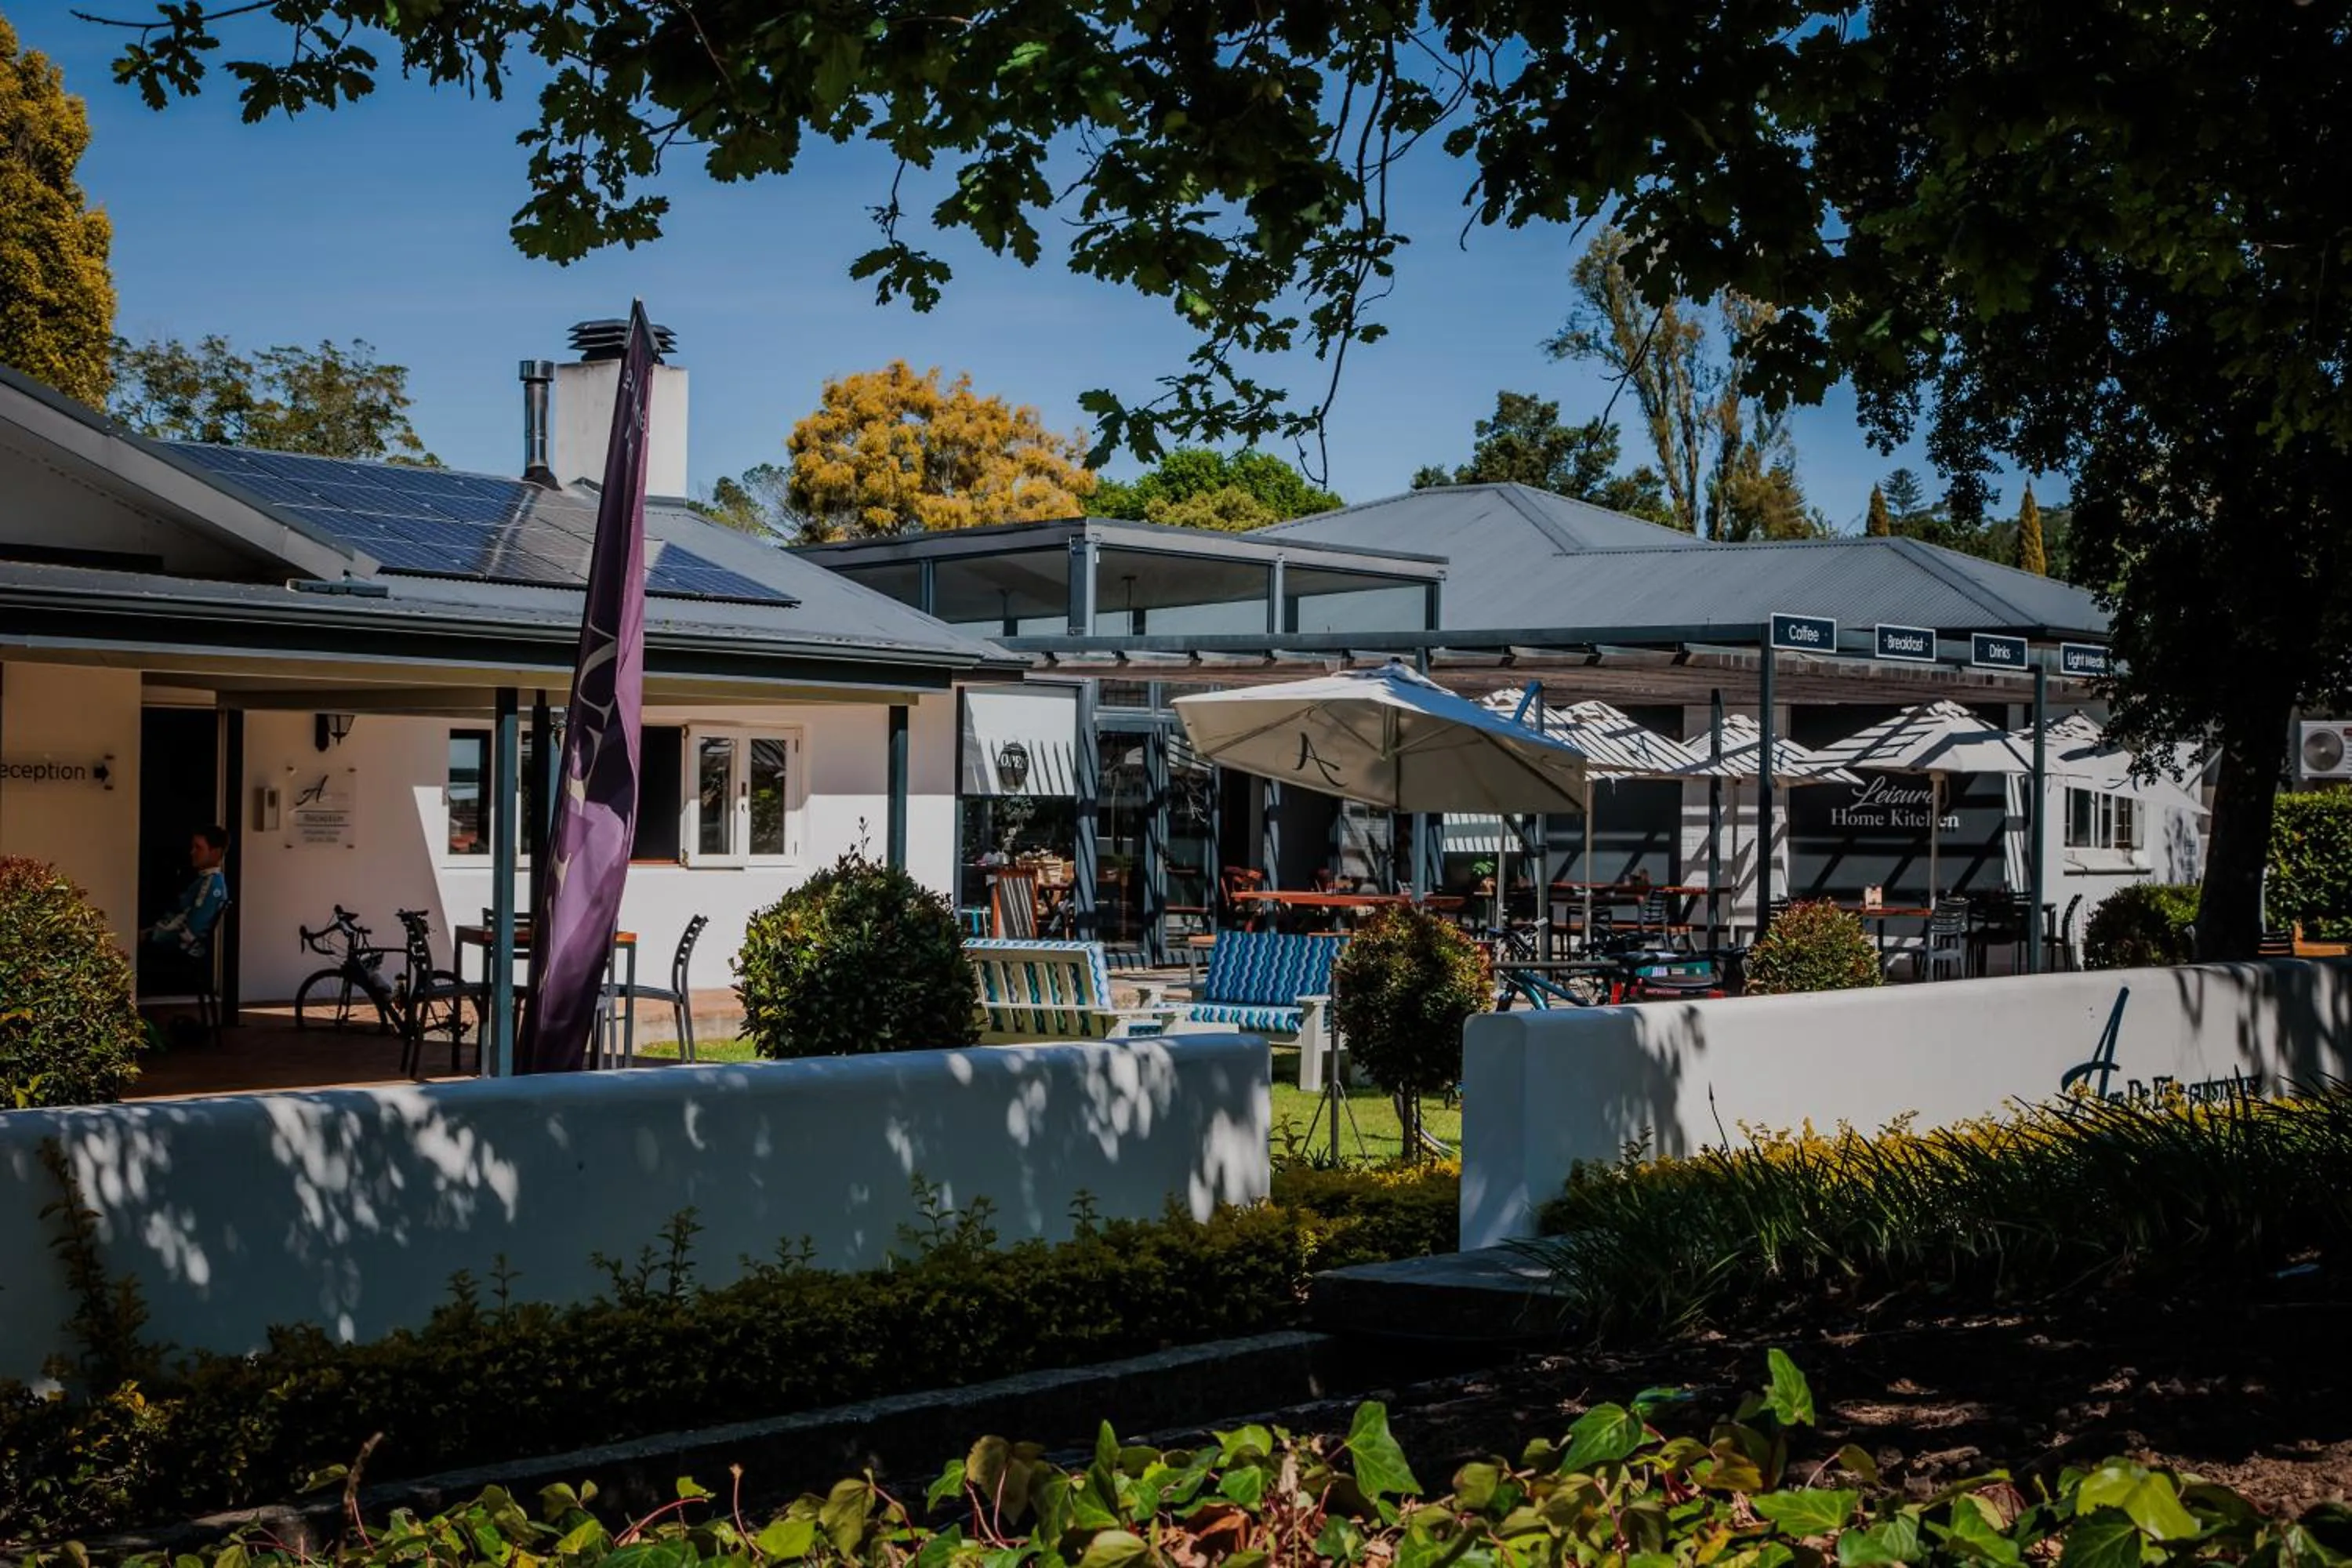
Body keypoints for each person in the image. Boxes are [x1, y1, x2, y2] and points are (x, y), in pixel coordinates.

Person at [143, 825, 230, 966]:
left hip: (181, 956)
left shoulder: (211, 885)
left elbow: (191, 930)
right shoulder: (202, 880)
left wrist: (150, 936)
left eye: (199, 848)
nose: (192, 852)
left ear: (215, 853)